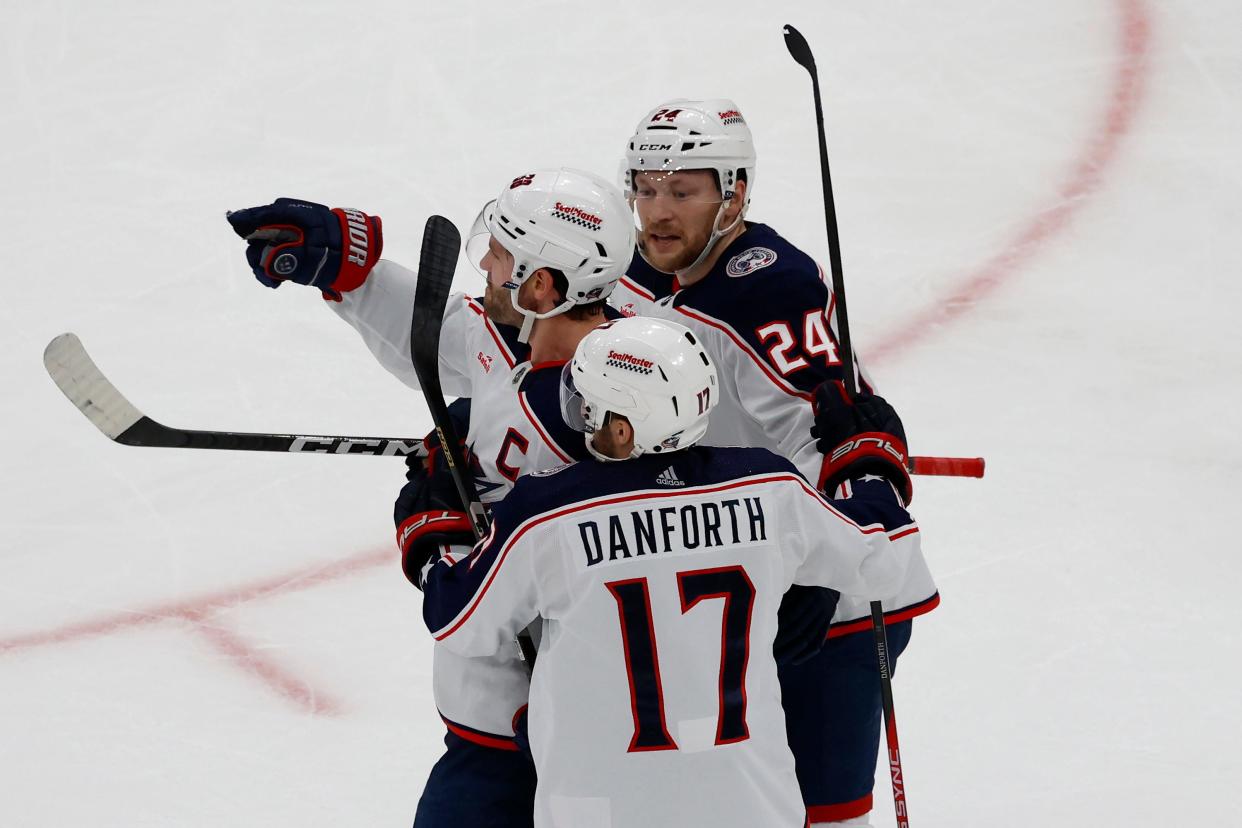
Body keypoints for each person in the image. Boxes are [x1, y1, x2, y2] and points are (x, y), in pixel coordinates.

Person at [226, 168, 635, 827]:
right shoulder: (536, 339)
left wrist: (441, 524)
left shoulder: (606, 405)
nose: (485, 265)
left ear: (541, 283)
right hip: (501, 719)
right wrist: (352, 273)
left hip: (570, 731)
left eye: (501, 254)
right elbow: (448, 336)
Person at [416, 316, 922, 828]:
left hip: (601, 812)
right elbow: (885, 554)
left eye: (587, 406)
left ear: (621, 428)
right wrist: (868, 461)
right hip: (750, 808)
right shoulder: (770, 490)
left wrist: (437, 538)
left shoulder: (546, 515)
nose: (578, 418)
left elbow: (459, 622)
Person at [610, 98, 937, 826]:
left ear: (734, 195)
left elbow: (831, 437)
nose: (658, 211)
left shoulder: (769, 287)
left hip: (833, 601)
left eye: (683, 191)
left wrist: (819, 569)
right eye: (646, 187)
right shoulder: (632, 267)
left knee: (821, 815)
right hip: (724, 584)